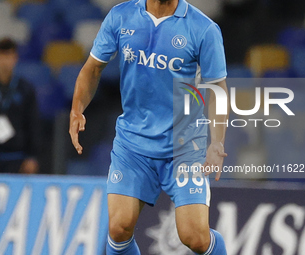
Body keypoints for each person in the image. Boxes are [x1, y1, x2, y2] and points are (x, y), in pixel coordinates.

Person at [69, 0, 229, 254]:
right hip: (133, 145)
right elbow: (93, 68)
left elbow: (217, 89)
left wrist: (217, 143)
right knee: (119, 228)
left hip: (185, 148)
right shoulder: (121, 17)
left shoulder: (203, 29)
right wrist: (77, 108)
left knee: (195, 237)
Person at [0, 38, 40, 174]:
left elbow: (33, 123)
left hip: (16, 157)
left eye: (9, 56)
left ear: (15, 58)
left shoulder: (25, 89)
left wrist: (32, 156)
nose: (4, 61)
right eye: (1, 56)